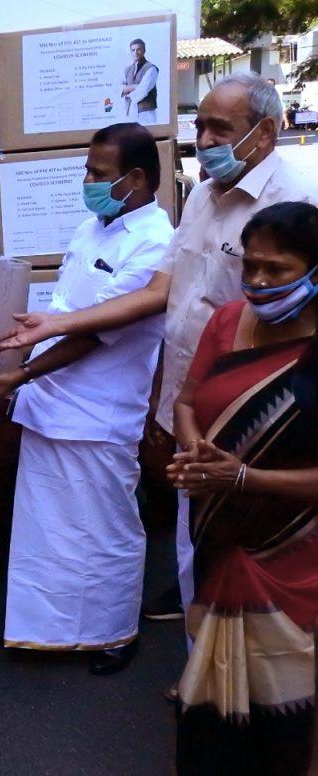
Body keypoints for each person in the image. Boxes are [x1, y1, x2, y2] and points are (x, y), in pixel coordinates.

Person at [0, 73, 317, 628]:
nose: (205, 140)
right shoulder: (203, 198)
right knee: (195, 543)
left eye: (220, 129)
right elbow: (163, 295)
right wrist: (164, 397)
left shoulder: (298, 203)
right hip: (191, 399)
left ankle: (249, 667)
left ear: (265, 132)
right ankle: (202, 660)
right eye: (200, 126)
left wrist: (56, 331)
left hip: (261, 406)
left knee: (261, 546)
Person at [0, 122, 173, 674]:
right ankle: (49, 631)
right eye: (88, 170)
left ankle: (114, 632)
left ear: (137, 178)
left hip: (98, 413)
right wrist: (24, 367)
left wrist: (23, 373)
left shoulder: (157, 241)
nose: (87, 182)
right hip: (50, 403)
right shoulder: (92, 227)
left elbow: (92, 331)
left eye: (98, 173)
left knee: (105, 530)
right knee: (48, 532)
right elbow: (64, 311)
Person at [167, 202, 318, 775]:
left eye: (276, 269)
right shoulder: (227, 321)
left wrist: (243, 478)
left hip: (295, 551)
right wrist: (194, 450)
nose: (257, 281)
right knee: (216, 690)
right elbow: (186, 401)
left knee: (293, 705)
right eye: (249, 266)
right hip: (220, 532)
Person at [119, 38, 160, 124]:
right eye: (133, 50)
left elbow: (143, 91)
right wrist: (136, 86)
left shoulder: (151, 68)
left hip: (146, 114)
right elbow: (119, 90)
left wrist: (127, 92)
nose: (135, 52)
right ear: (130, 52)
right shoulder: (127, 70)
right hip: (129, 114)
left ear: (144, 51)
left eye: (138, 49)